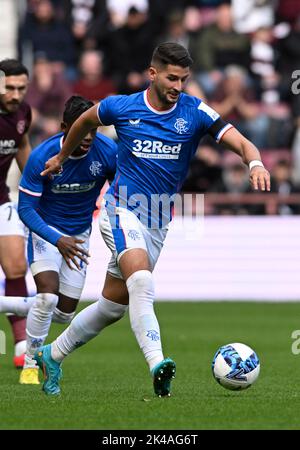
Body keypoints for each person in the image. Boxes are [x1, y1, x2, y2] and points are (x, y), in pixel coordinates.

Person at [36, 42, 270, 397]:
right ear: (153, 73)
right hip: (120, 209)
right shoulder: (122, 106)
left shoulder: (195, 111)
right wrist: (63, 157)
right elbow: (85, 119)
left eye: (184, 79)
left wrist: (254, 162)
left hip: (158, 219)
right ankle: (158, 364)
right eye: (172, 78)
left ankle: (51, 354)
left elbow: (241, 142)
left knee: (112, 308)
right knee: (142, 281)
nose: (178, 86)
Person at [0, 95, 117, 385]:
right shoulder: (43, 156)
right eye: (82, 129)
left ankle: (9, 303)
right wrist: (56, 239)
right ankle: (30, 363)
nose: (89, 137)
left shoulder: (107, 151)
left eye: (93, 129)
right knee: (48, 294)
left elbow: (120, 188)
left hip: (78, 237)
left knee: (64, 313)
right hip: (46, 233)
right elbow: (26, 209)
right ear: (65, 126)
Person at [0, 58, 31, 369]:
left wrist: (34, 180)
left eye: (21, 88)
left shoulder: (23, 113)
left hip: (1, 201)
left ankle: (22, 344)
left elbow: (21, 144)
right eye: (9, 88)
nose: (15, 94)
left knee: (16, 267)